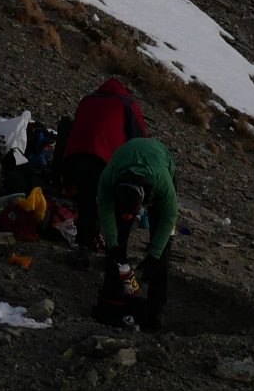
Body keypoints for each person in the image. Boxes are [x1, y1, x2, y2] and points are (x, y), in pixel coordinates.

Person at [57, 77, 146, 257]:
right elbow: (139, 141)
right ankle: (111, 247)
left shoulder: (88, 100)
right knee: (108, 202)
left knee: (85, 201)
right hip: (103, 161)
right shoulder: (128, 104)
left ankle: (83, 246)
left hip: (75, 159)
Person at [96, 134, 178, 330]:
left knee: (162, 248)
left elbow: (169, 218)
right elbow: (105, 210)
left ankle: (156, 311)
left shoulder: (162, 183)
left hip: (159, 161)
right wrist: (113, 244)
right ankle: (113, 296)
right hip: (126, 160)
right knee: (117, 243)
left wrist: (154, 255)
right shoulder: (109, 177)